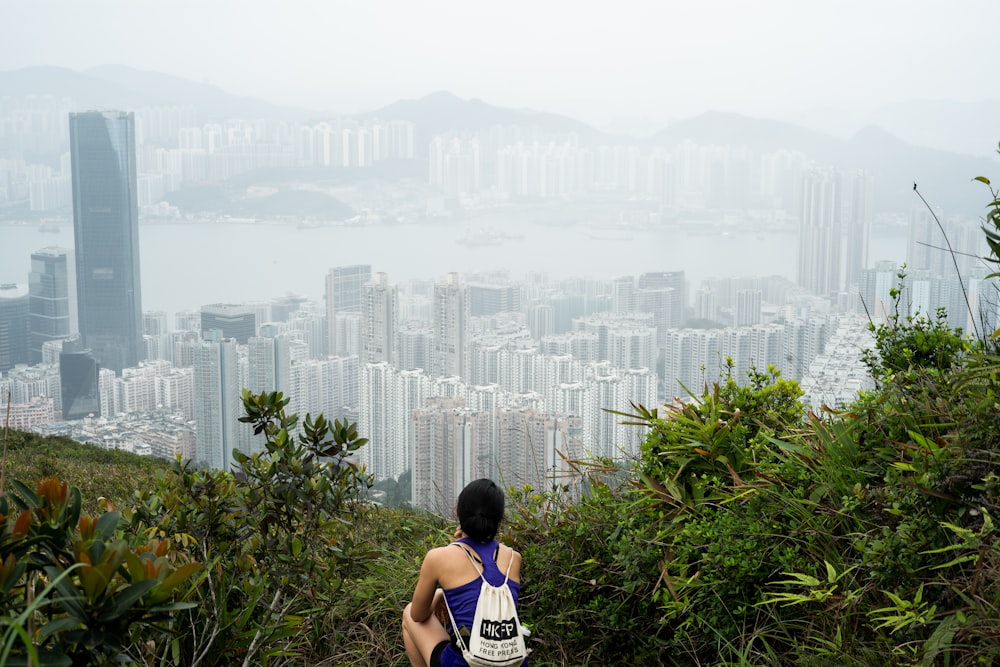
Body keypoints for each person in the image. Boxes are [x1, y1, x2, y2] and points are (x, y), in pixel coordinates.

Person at [402, 478, 526, 667]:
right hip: (513, 661)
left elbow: (418, 615)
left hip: (465, 663)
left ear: (457, 512)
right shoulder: (513, 559)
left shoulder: (438, 558)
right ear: (499, 519)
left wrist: (439, 594)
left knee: (409, 612)